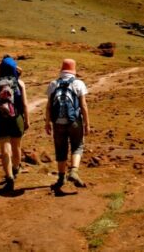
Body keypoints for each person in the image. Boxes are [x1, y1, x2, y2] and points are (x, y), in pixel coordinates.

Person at [45, 58, 90, 191]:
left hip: (58, 122)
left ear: (62, 70)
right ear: (73, 70)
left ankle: (60, 178)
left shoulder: (53, 84)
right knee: (77, 145)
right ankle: (74, 172)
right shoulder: (78, 83)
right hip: (74, 121)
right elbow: (83, 105)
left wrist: (47, 122)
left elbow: (48, 106)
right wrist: (87, 123)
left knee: (60, 149)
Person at [0, 55, 29, 192]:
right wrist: (27, 121)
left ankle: (9, 178)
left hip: (1, 119)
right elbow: (24, 104)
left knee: (5, 149)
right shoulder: (19, 83)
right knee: (16, 146)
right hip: (16, 118)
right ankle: (16, 168)